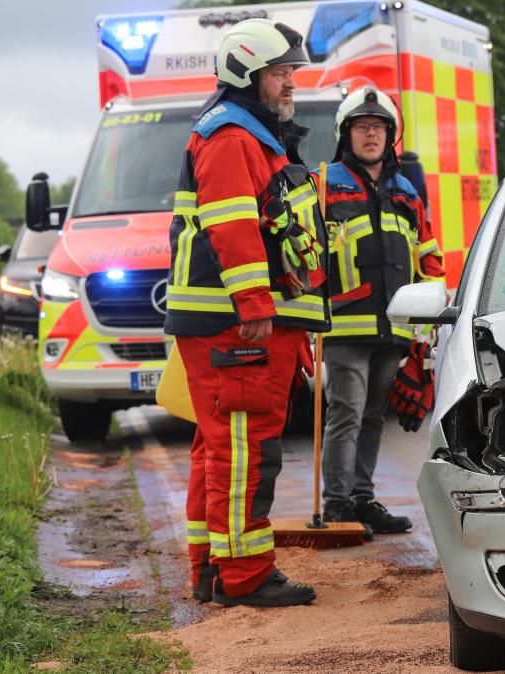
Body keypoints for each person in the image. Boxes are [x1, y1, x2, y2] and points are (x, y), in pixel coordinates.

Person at [165, 18, 330, 608]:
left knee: (220, 449)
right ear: (246, 73)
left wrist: (297, 320)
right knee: (245, 451)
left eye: (291, 73)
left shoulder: (252, 135)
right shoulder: (234, 138)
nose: (291, 84)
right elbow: (232, 227)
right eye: (281, 73)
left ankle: (213, 568)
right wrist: (256, 303)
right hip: (237, 326)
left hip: (243, 324)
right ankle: (246, 576)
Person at [316, 86, 445, 533]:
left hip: (394, 327)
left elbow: (428, 253)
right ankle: (336, 505)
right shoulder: (323, 185)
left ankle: (361, 499)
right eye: (361, 127)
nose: (370, 135)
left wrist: (427, 323)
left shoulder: (405, 190)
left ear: (390, 136)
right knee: (346, 411)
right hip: (344, 325)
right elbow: (307, 253)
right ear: (345, 134)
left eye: (378, 127)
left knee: (373, 416)